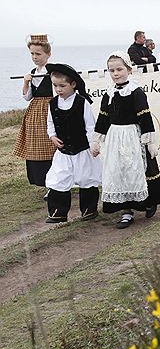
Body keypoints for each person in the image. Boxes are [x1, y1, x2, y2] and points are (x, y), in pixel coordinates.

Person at [94, 51, 160, 229]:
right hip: (115, 138)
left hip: (133, 138)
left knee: (137, 170)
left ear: (129, 69)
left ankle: (148, 202)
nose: (116, 73)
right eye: (111, 70)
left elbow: (145, 117)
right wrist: (97, 141)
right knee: (118, 172)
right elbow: (103, 118)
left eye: (119, 69)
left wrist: (150, 141)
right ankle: (126, 211)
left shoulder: (136, 92)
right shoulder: (108, 94)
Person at [45, 64, 102, 223]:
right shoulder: (52, 104)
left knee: (87, 179)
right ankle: (58, 212)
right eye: (55, 86)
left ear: (73, 84)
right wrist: (52, 136)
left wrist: (93, 145)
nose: (58, 89)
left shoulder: (82, 103)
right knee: (59, 179)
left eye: (62, 86)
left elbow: (90, 126)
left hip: (83, 150)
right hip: (63, 152)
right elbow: (50, 123)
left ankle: (89, 210)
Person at [14, 34, 56, 193]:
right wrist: (26, 81)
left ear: (48, 53)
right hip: (35, 113)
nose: (34, 57)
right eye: (32, 53)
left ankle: (55, 184)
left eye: (38, 54)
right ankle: (46, 184)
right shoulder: (32, 72)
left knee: (52, 148)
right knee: (36, 148)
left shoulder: (53, 70)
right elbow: (27, 97)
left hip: (51, 111)